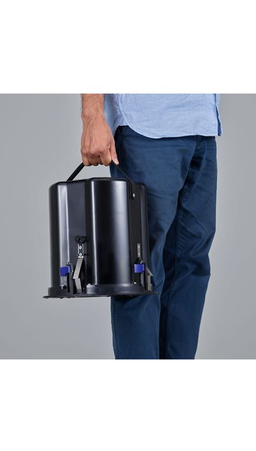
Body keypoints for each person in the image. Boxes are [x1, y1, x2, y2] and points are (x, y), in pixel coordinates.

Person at [80, 94, 221, 359]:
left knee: (190, 265)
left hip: (202, 127)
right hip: (146, 126)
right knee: (139, 270)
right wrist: (92, 116)